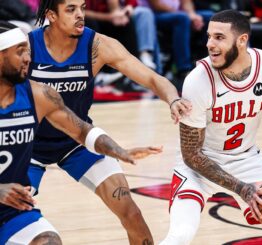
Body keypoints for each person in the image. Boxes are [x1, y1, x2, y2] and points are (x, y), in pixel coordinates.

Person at [27, 0, 191, 244]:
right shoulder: (27, 48)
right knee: (10, 219)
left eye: (82, 7)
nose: (80, 15)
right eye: (71, 9)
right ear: (51, 15)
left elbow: (152, 79)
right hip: (28, 146)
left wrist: (173, 98)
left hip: (79, 140)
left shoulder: (98, 45)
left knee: (132, 213)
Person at [160, 10, 262, 245]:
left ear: (242, 40)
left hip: (246, 160)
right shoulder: (198, 80)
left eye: (219, 37)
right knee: (180, 235)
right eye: (209, 36)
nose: (210, 45)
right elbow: (191, 154)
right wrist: (241, 188)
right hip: (199, 166)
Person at [0, 21, 162, 244]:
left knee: (49, 241)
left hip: (14, 212)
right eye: (20, 52)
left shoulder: (38, 94)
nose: (28, 58)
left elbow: (82, 130)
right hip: (32, 156)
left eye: (27, 50)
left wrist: (120, 151)